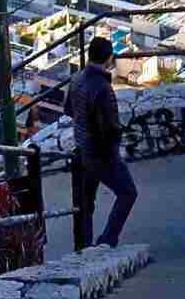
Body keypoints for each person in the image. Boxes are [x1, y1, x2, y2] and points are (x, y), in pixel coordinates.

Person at [65, 36, 138, 247]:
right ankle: (107, 240)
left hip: (82, 149)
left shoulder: (76, 78)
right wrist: (113, 152)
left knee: (86, 203)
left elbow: (69, 109)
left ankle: (84, 246)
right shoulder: (103, 88)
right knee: (127, 193)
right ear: (109, 58)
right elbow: (109, 127)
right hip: (101, 153)